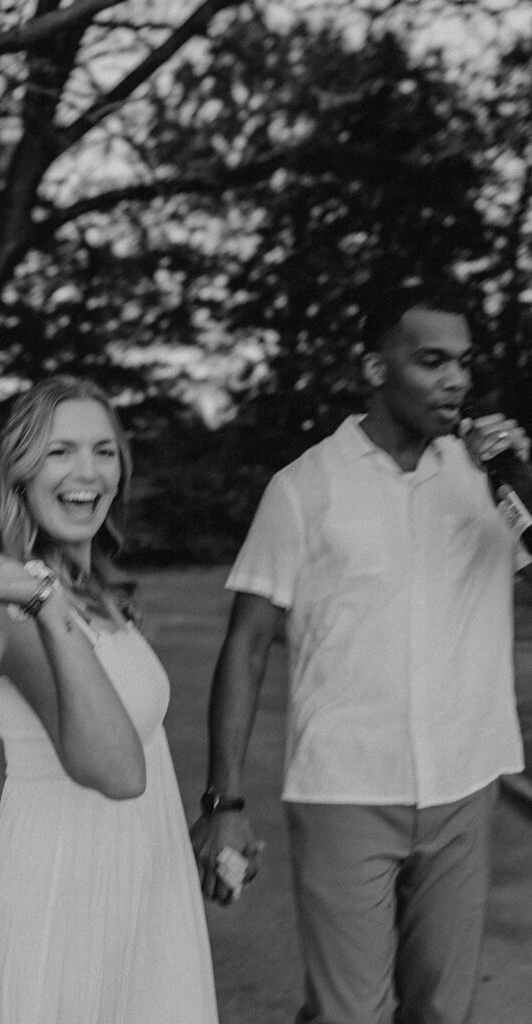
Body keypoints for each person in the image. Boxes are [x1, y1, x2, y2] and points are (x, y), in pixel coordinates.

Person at [190, 281, 532, 1024]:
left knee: (442, 1010)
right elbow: (246, 643)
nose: (456, 380)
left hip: (462, 781)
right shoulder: (303, 488)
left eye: (464, 363)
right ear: (377, 370)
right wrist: (224, 803)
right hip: (344, 788)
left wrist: (517, 475)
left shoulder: (487, 480)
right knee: (349, 1014)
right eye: (431, 361)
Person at [0, 376, 219, 1024]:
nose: (85, 471)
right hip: (56, 909)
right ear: (20, 472)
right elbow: (116, 771)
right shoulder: (17, 604)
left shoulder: (99, 593)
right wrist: (43, 604)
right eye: (59, 451)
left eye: (103, 450)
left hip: (133, 898)